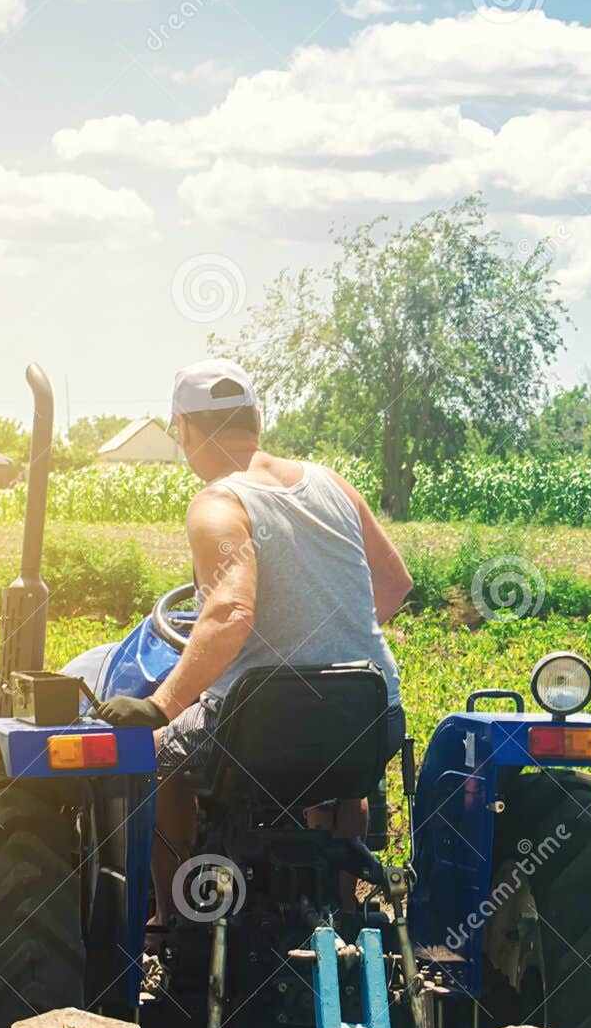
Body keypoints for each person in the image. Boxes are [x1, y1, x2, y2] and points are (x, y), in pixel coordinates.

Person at [98, 359, 412, 917]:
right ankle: (338, 908)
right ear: (258, 421)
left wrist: (159, 706)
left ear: (185, 430)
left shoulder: (218, 502)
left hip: (260, 728)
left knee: (153, 758)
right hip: (373, 715)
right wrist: (321, 639)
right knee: (343, 780)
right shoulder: (331, 482)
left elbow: (229, 611)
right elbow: (393, 584)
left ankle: (172, 924)